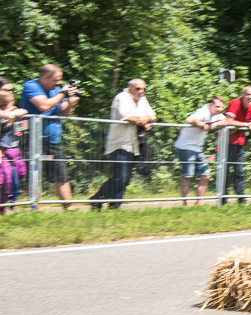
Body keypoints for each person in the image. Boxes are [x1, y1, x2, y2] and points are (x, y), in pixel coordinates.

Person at [20, 64, 80, 209]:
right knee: (34, 174)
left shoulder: (56, 90)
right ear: (45, 77)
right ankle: (36, 208)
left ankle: (68, 207)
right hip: (32, 138)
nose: (58, 83)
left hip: (52, 139)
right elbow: (43, 106)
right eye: (56, 80)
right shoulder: (31, 86)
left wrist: (71, 103)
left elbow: (63, 112)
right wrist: (63, 94)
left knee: (61, 173)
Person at [91, 78, 155, 210]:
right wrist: (143, 121)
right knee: (121, 177)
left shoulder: (142, 100)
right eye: (138, 89)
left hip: (135, 144)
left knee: (125, 179)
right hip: (120, 143)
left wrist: (147, 119)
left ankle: (114, 206)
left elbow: (152, 114)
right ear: (130, 88)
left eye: (143, 89)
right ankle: (96, 198)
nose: (141, 91)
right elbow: (126, 116)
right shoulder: (122, 97)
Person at [173, 95, 226, 206]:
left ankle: (199, 204)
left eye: (221, 107)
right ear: (210, 105)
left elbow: (228, 121)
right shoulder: (204, 112)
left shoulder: (216, 115)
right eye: (217, 107)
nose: (219, 109)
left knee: (205, 175)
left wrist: (216, 124)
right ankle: (186, 204)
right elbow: (190, 119)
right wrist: (202, 124)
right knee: (188, 176)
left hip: (198, 148)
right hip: (185, 146)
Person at [222, 86, 251, 204]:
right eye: (248, 94)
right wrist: (246, 125)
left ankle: (241, 198)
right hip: (226, 142)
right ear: (242, 94)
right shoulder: (235, 102)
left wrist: (240, 126)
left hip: (239, 142)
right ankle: (223, 199)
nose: (250, 97)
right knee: (225, 171)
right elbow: (228, 121)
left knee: (239, 171)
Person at [0, 80, 28, 212]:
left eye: (11, 90)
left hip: (12, 149)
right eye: (6, 90)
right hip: (2, 149)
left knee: (15, 175)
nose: (9, 93)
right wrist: (8, 114)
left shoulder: (14, 110)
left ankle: (6, 204)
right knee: (3, 177)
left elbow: (23, 112)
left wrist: (13, 113)